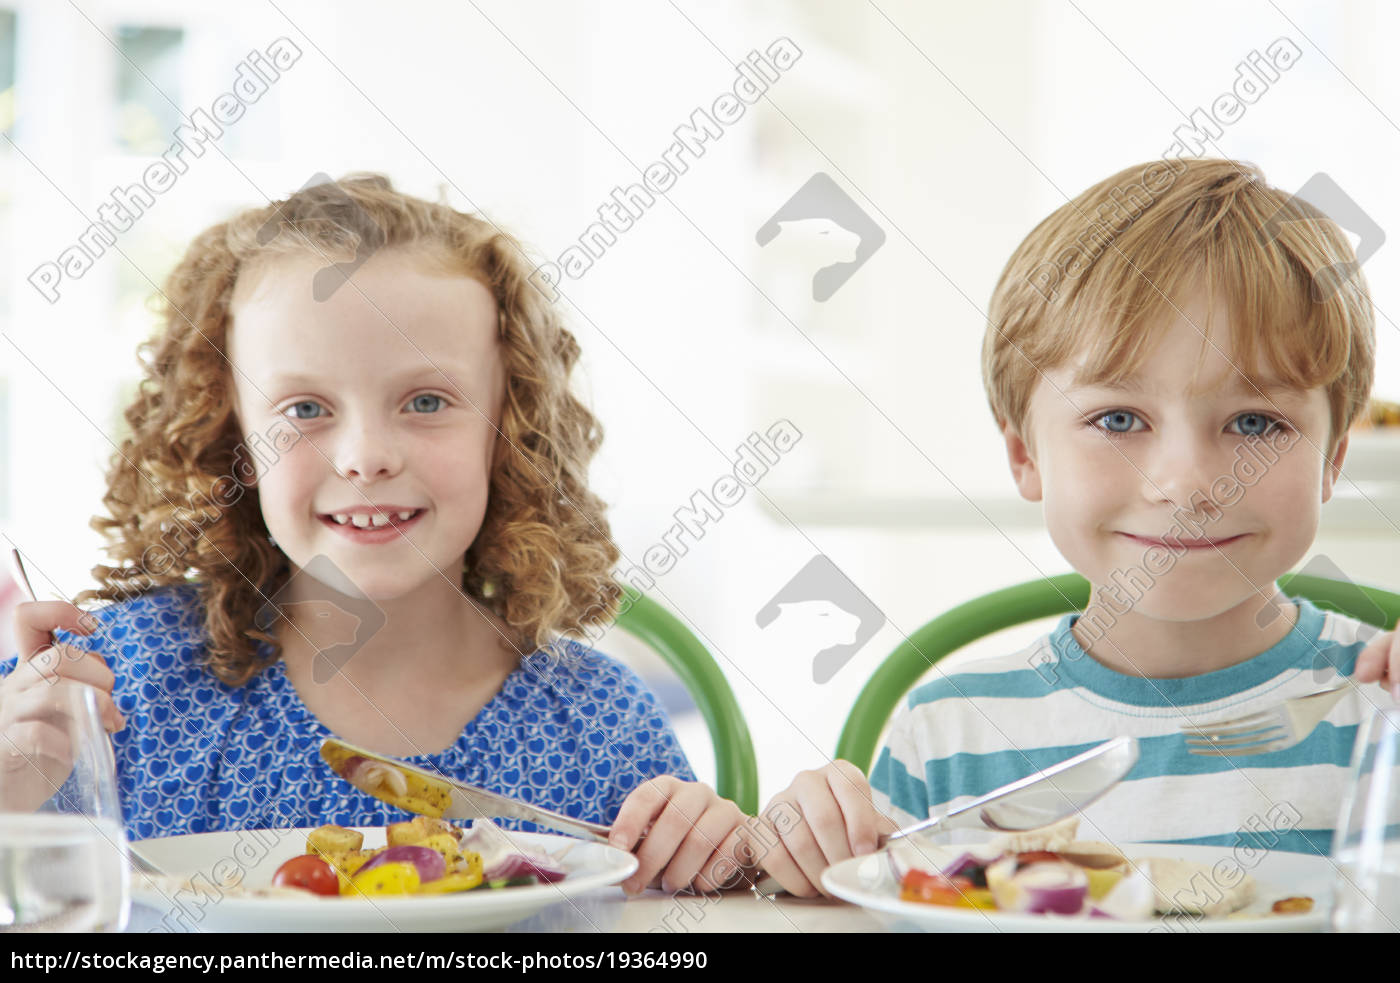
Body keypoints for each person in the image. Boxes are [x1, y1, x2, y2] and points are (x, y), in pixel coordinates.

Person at [0, 174, 744, 896]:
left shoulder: (599, 724)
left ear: (508, 429)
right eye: (304, 409)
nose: (365, 456)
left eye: (425, 400)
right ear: (235, 438)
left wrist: (732, 863)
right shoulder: (111, 694)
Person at [752, 158, 1400, 897]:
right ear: (1026, 454)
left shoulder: (1385, 716)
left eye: (1255, 421)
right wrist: (799, 857)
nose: (1185, 482)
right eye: (1118, 419)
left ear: (1333, 458)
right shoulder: (950, 738)